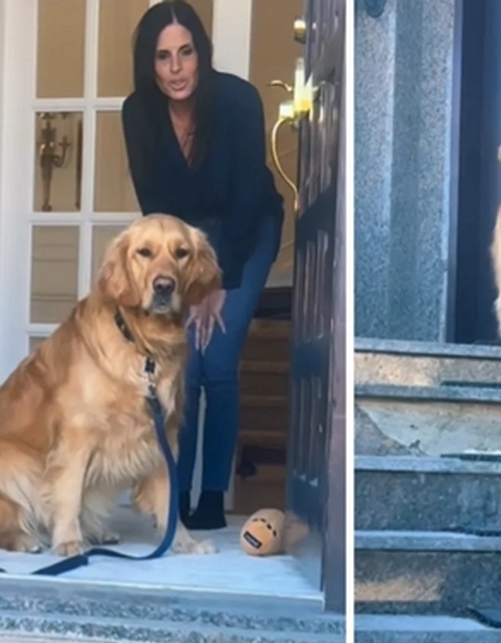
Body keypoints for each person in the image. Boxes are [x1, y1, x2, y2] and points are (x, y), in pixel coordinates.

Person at [121, 1, 284, 530]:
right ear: (150, 63)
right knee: (185, 366)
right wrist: (184, 278)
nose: (175, 68)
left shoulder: (238, 100)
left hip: (246, 230)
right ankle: (176, 499)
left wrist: (217, 284)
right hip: (184, 241)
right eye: (163, 56)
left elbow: (244, 201)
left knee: (216, 363)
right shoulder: (137, 113)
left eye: (185, 53)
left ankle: (212, 494)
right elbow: (156, 208)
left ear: (200, 53)